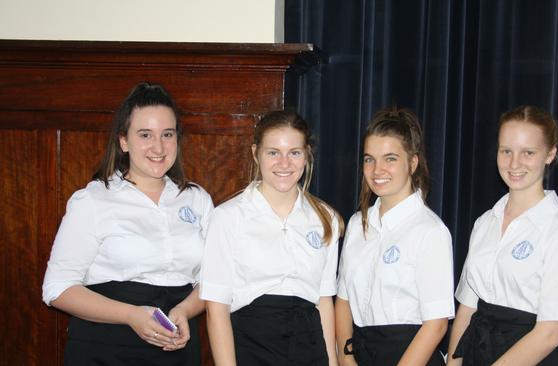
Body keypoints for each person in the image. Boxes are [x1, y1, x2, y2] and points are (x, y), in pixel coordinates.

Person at [42, 82, 213, 366]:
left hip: (176, 346)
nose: (158, 147)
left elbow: (214, 279)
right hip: (105, 345)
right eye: (145, 134)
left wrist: (185, 309)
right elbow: (57, 289)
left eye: (167, 134)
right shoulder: (93, 200)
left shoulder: (197, 199)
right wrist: (131, 315)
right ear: (124, 141)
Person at [200, 110, 343, 366]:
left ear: (307, 155)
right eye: (273, 152)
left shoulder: (326, 219)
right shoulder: (228, 218)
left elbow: (323, 301)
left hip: (310, 349)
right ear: (256, 153)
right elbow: (216, 310)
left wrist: (332, 362)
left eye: (294, 153)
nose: (284, 163)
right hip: (252, 346)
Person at [447, 105, 558, 365]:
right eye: (506, 151)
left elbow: (550, 333)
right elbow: (467, 308)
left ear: (550, 154)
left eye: (528, 153)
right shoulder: (485, 223)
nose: (514, 163)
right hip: (476, 351)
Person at [335, 107, 454, 366]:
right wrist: (346, 360)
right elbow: (343, 301)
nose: (377, 169)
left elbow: (436, 326)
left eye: (390, 158)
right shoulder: (357, 224)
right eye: (369, 159)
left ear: (412, 163)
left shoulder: (430, 231)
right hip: (360, 353)